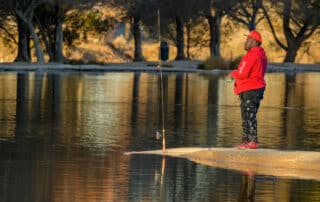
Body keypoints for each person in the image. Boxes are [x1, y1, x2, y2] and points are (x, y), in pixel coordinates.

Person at [229, 30, 267, 149]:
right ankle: (246, 142)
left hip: (251, 89)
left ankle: (252, 142)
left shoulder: (252, 54)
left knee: (249, 115)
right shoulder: (261, 55)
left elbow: (242, 73)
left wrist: (232, 74)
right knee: (247, 115)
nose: (245, 42)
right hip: (256, 88)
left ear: (254, 42)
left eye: (248, 40)